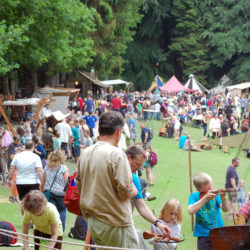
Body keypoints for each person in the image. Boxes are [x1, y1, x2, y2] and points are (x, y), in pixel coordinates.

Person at [76, 111, 139, 249]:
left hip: (94, 222)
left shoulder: (85, 153)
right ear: (118, 131)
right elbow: (125, 191)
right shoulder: (117, 154)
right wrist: (135, 190)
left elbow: (79, 188)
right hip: (115, 222)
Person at [188, 173, 228, 250]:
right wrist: (205, 198)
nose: (211, 188)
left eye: (211, 185)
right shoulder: (194, 196)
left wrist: (223, 198)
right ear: (198, 189)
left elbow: (225, 209)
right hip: (203, 235)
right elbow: (190, 211)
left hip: (219, 232)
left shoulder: (216, 196)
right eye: (208, 187)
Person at [40, 150, 69, 231]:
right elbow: (67, 182)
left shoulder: (47, 167)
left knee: (51, 212)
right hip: (61, 194)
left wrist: (41, 190)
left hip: (49, 192)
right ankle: (61, 229)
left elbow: (43, 181)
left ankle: (51, 229)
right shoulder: (63, 168)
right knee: (62, 210)